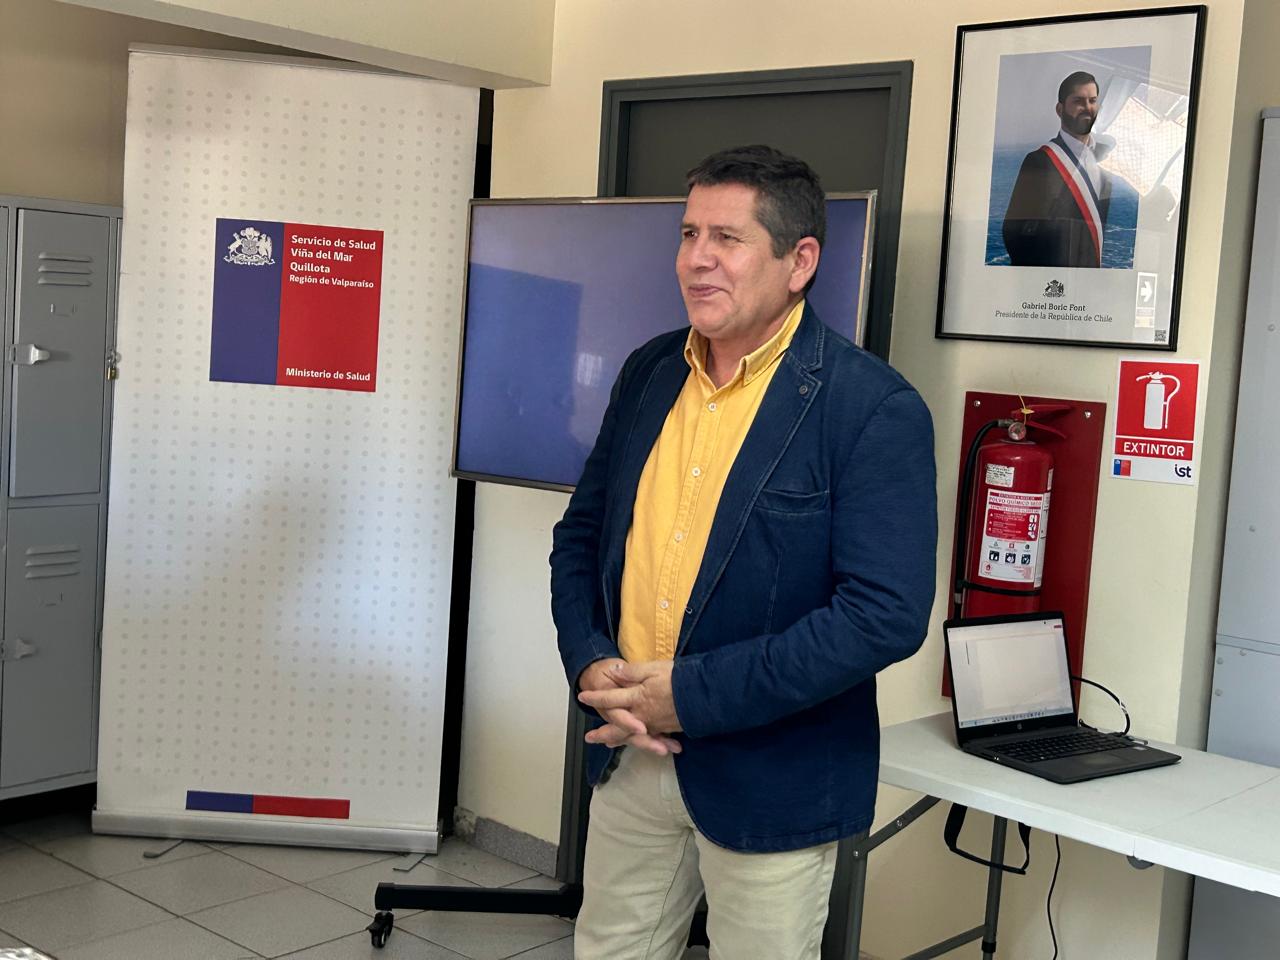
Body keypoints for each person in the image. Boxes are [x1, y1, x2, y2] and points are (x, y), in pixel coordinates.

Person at [549, 144, 937, 960]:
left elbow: (882, 616)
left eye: (726, 238)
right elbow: (581, 537)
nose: (696, 259)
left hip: (774, 778)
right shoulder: (651, 372)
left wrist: (689, 696)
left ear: (801, 262)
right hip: (631, 753)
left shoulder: (871, 407)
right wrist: (590, 663)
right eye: (689, 234)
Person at [1002, 71, 1116, 268]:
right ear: (1060, 109)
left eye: (1092, 101)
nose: (1087, 108)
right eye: (1078, 101)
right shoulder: (1040, 161)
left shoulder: (1105, 163)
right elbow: (1013, 233)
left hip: (1089, 278)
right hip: (1051, 279)